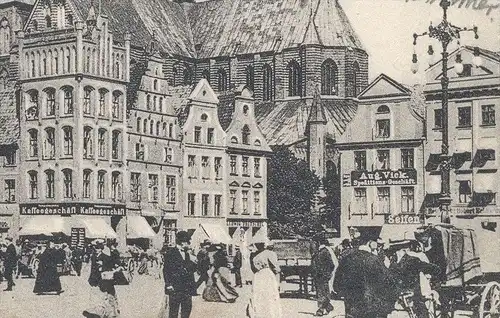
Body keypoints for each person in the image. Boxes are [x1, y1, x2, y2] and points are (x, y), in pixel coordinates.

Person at [333, 238, 399, 318]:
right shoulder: (375, 260)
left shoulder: (347, 259)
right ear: (370, 244)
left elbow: (336, 284)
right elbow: (389, 282)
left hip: (351, 307)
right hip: (371, 307)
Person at [389, 240, 440, 317]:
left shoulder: (396, 264)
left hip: (405, 298)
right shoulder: (410, 261)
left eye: (395, 251)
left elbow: (434, 269)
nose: (394, 253)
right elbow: (435, 269)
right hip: (409, 298)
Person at [162, 230, 197, 318]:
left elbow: (190, 269)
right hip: (175, 287)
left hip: (186, 288)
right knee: (174, 311)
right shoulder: (171, 253)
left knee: (187, 308)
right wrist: (168, 284)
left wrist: (194, 263)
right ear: (183, 242)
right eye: (188, 242)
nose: (189, 244)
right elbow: (166, 270)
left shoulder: (187, 254)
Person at [83, 240, 121, 318]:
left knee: (106, 297)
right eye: (95, 248)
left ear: (101, 249)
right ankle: (98, 312)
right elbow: (92, 269)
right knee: (97, 296)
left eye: (98, 248)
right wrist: (91, 278)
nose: (96, 250)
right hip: (95, 279)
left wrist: (103, 266)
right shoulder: (93, 257)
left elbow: (110, 267)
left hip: (104, 280)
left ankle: (107, 313)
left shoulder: (106, 257)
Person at [246, 240, 282, 318]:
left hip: (258, 276)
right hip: (267, 275)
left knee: (258, 296)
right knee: (269, 296)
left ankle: (259, 314)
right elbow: (276, 269)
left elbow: (253, 268)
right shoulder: (270, 253)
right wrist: (278, 282)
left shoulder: (253, 255)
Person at [311, 237, 338, 317]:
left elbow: (331, 265)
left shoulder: (324, 252)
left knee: (321, 293)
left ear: (318, 243)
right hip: (319, 276)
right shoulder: (319, 252)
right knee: (323, 292)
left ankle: (321, 310)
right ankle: (328, 307)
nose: (314, 245)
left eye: (315, 243)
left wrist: (326, 274)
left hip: (322, 276)